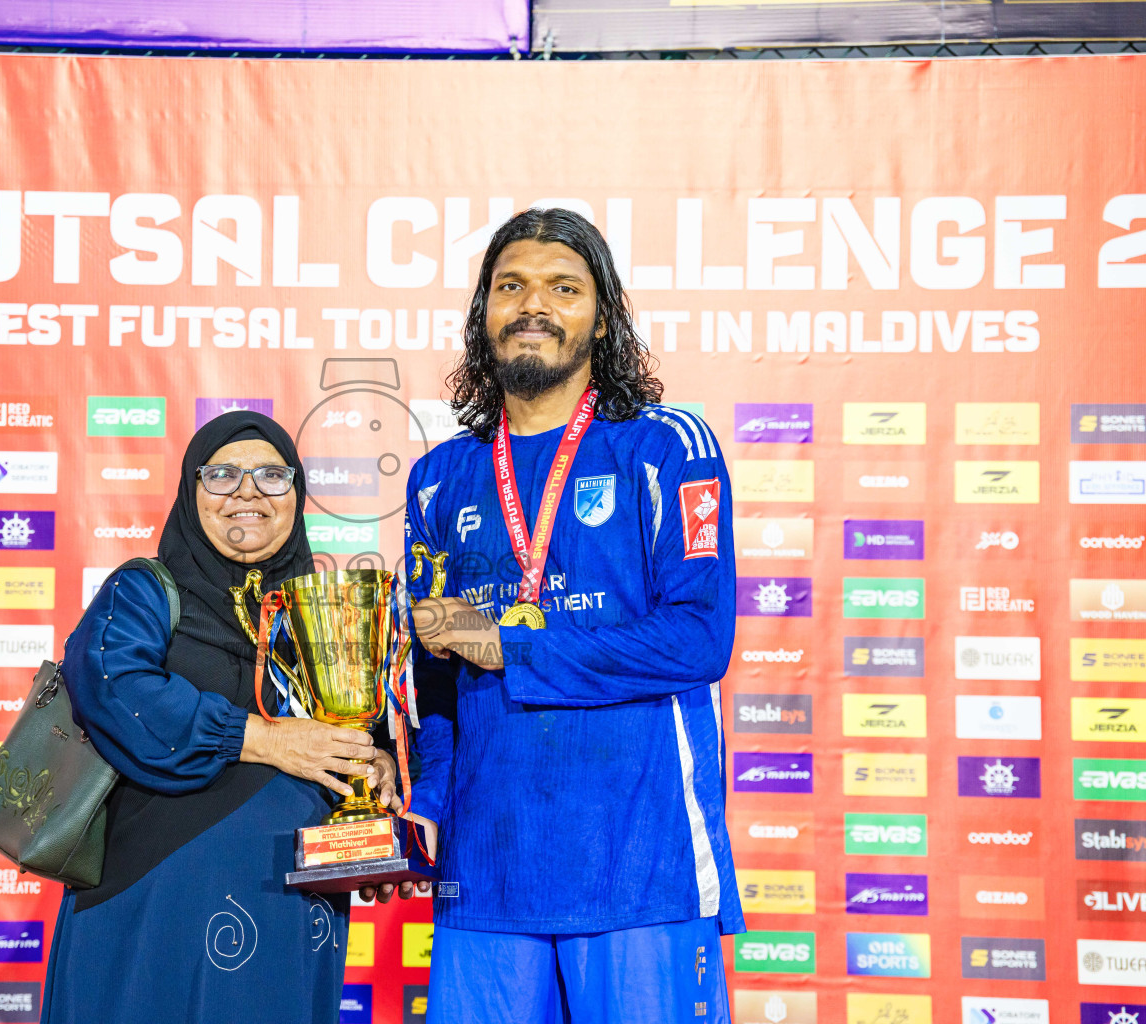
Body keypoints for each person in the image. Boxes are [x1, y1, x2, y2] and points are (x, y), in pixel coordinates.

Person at [403, 208, 744, 1024]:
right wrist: (426, 798)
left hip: (639, 863)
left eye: (564, 288)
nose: (534, 306)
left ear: (603, 315)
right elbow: (435, 680)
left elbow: (699, 638)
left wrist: (511, 645)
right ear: (481, 312)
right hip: (484, 873)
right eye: (510, 286)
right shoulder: (435, 478)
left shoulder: (664, 445)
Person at [42, 410, 404, 1024]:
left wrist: (378, 772)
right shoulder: (143, 592)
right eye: (222, 475)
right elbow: (113, 684)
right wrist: (263, 739)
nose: (246, 493)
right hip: (158, 902)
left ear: (296, 494)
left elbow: (367, 728)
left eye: (270, 475)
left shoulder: (326, 611)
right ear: (191, 491)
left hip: (294, 910)